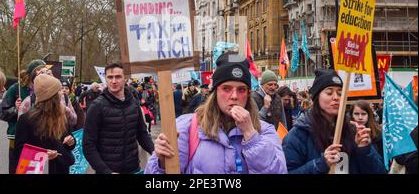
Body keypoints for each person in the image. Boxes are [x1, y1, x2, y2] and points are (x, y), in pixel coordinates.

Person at [145, 53, 287, 174]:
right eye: (226, 88)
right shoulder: (187, 127)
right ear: (215, 92)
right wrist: (162, 163)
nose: (234, 96)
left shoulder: (265, 131)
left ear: (248, 94)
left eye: (242, 89)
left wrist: (250, 134)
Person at [282, 69, 386, 174]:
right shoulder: (299, 134)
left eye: (340, 93)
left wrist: (364, 150)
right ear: (316, 98)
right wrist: (320, 164)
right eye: (329, 92)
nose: (336, 98)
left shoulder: (353, 131)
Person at [83, 63, 154, 174]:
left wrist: (155, 152)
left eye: (118, 77)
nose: (114, 81)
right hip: (107, 170)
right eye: (110, 77)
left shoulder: (134, 103)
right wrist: (106, 171)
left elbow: (142, 134)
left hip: (133, 168)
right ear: (105, 79)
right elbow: (88, 145)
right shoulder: (97, 106)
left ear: (125, 79)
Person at [13, 74, 75, 174]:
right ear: (51, 96)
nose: (62, 93)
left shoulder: (61, 115)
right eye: (58, 90)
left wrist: (71, 141)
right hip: (38, 170)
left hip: (60, 169)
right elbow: (19, 151)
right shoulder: (26, 119)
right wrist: (42, 155)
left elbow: (69, 140)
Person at [0, 59, 44, 174]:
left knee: (33, 170)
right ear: (32, 73)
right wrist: (16, 109)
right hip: (17, 137)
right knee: (17, 169)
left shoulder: (44, 89)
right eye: (39, 70)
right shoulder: (16, 89)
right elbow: (2, 113)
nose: (42, 73)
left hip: (37, 137)